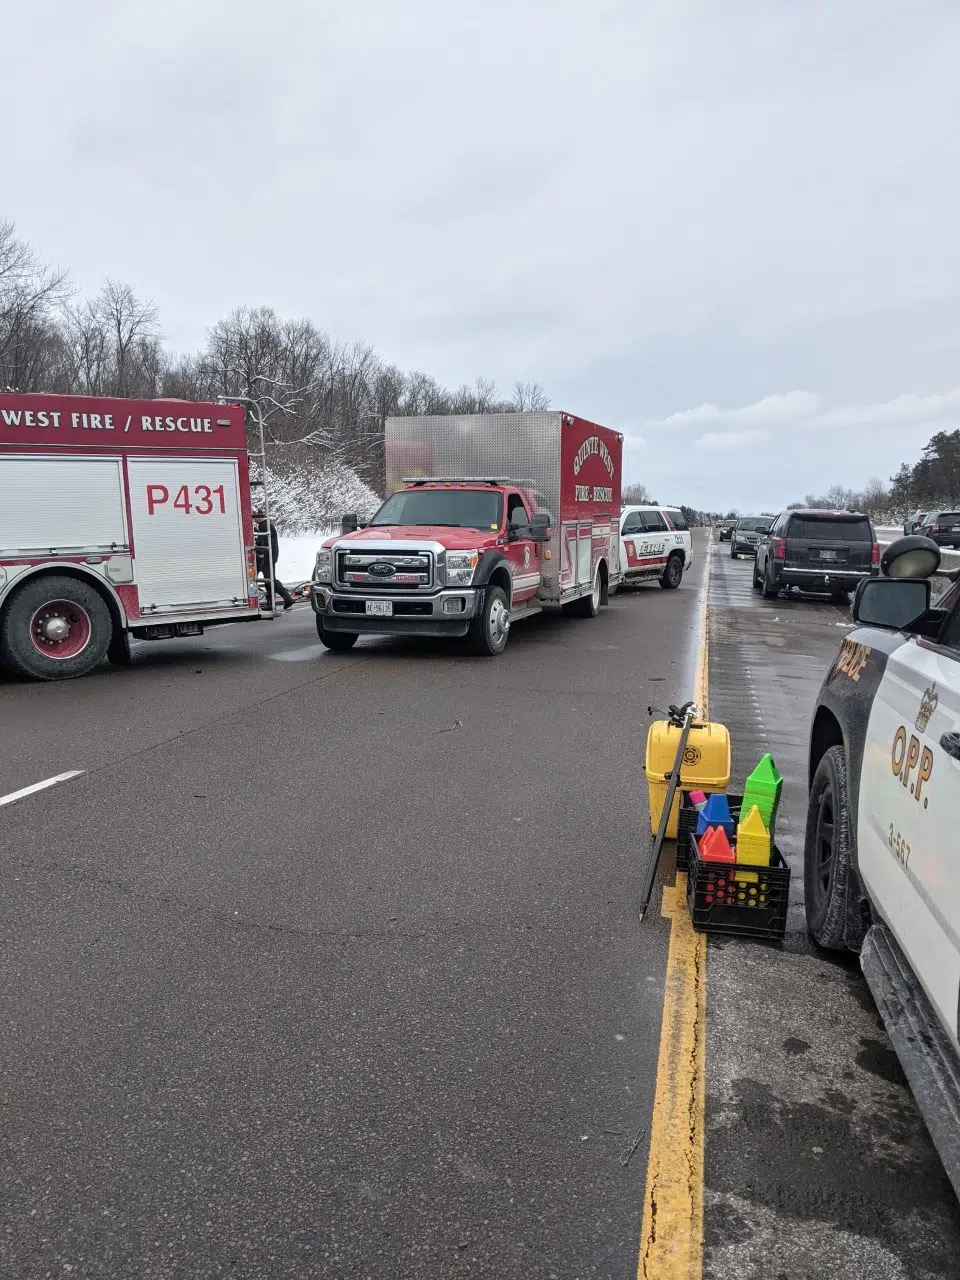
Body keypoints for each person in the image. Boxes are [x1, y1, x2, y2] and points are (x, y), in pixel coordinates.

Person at [253, 508, 295, 611]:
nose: (255, 520)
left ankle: (278, 600)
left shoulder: (265, 527)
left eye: (256, 518)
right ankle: (281, 599)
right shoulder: (265, 525)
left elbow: (265, 543)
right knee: (270, 579)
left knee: (270, 580)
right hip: (269, 556)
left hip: (268, 557)